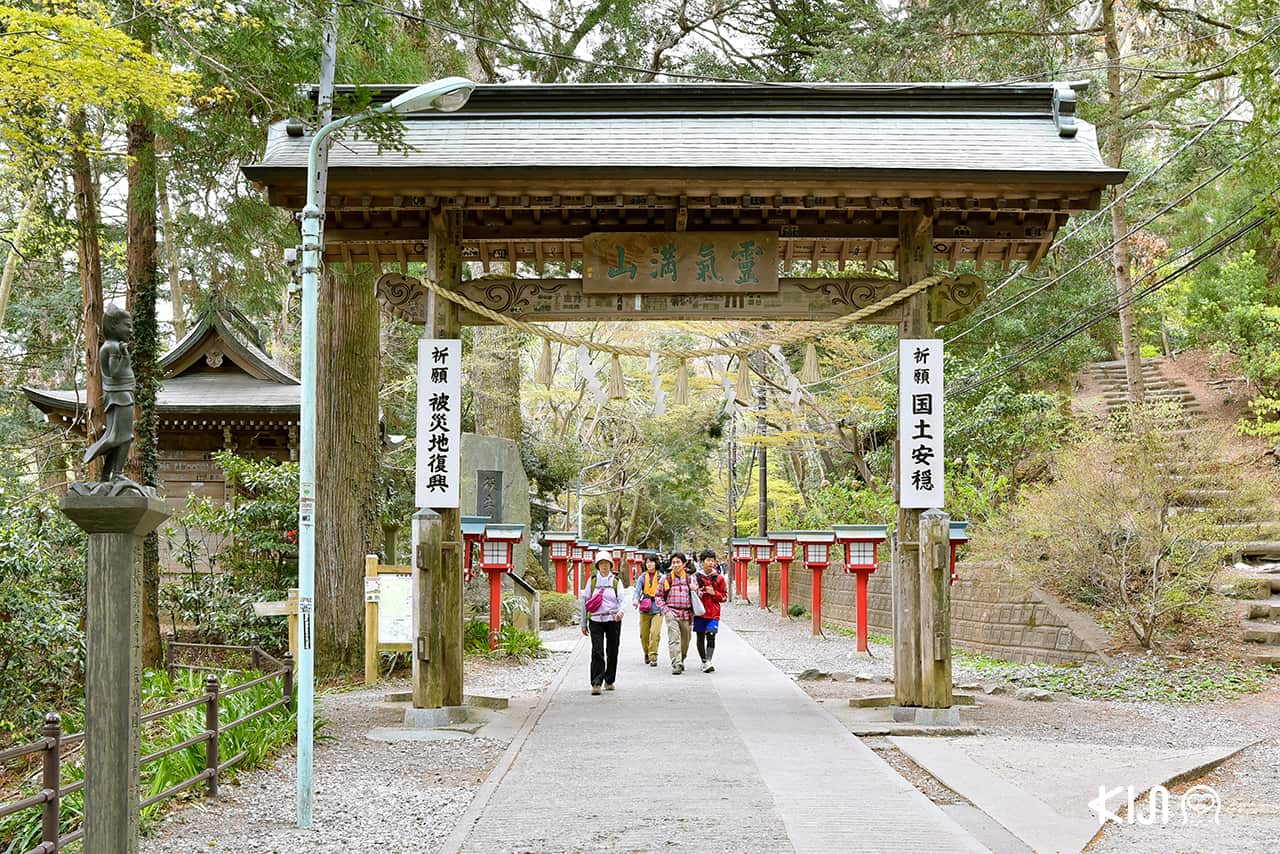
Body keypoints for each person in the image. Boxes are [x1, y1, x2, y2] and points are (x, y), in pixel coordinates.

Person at [580, 555, 625, 695]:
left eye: (607, 563)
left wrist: (621, 611)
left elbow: (622, 599)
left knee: (612, 650)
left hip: (613, 620)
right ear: (598, 565)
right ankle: (596, 682)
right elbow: (585, 601)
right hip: (595, 620)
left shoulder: (616, 581)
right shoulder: (592, 581)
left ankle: (609, 680)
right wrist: (583, 622)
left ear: (611, 565)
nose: (604, 566)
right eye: (601, 563)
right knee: (597, 650)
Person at [657, 552, 696, 674]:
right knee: (674, 638)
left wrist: (695, 590)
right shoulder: (666, 578)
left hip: (687, 614)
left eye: (678, 562)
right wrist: (666, 610)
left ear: (684, 564)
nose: (676, 565)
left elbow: (698, 596)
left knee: (685, 640)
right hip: (671, 612)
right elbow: (658, 596)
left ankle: (681, 658)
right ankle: (676, 662)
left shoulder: (690, 579)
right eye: (673, 562)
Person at [694, 549, 728, 672]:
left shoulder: (719, 578)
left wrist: (714, 593)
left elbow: (724, 597)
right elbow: (690, 594)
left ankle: (708, 660)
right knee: (700, 636)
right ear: (702, 562)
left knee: (711, 634)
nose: (711, 563)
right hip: (699, 612)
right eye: (708, 560)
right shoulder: (695, 578)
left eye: (713, 560)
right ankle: (703, 660)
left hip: (713, 613)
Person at [633, 555, 665, 666]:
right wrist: (635, 600)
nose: (649, 564)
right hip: (645, 608)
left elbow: (665, 591)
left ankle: (653, 656)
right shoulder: (642, 577)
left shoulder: (661, 577)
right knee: (644, 634)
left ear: (656, 563)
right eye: (647, 562)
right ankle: (646, 652)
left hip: (658, 608)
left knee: (655, 633)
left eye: (652, 562)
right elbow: (637, 591)